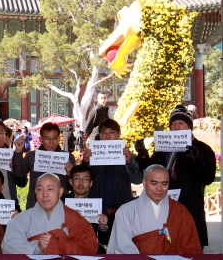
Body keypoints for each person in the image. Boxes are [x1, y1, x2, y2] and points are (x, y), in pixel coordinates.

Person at [138, 104, 216, 248]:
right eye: (173, 124)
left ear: (189, 127)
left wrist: (195, 160)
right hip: (162, 207)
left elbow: (208, 178)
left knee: (190, 248)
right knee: (161, 247)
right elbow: (150, 171)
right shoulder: (162, 148)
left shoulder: (203, 149)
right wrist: (142, 155)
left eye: (181, 123)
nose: (176, 127)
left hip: (190, 207)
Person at [107, 165, 203, 254]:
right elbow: (122, 248)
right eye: (154, 183)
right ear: (144, 183)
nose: (159, 188)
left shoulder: (180, 211)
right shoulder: (126, 211)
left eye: (164, 184)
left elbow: (191, 249)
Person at [2, 173, 98, 254]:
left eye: (50, 189)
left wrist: (59, 243)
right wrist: (37, 247)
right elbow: (8, 246)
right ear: (35, 192)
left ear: (60, 192)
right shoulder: (21, 219)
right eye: (40, 189)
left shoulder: (74, 218)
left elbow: (90, 247)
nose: (45, 194)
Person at [80, 119, 142, 230]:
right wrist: (85, 161)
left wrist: (128, 162)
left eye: (112, 132)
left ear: (119, 134)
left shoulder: (128, 156)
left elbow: (138, 180)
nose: (108, 136)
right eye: (104, 133)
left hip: (122, 212)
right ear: (100, 135)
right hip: (97, 212)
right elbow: (79, 182)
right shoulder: (92, 156)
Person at [11, 122, 75, 209]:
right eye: (47, 138)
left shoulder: (68, 158)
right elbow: (19, 173)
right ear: (41, 139)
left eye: (54, 138)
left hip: (60, 204)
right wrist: (18, 152)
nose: (51, 142)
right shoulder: (31, 156)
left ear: (59, 138)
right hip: (35, 204)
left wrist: (71, 174)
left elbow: (72, 186)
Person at [62, 166, 110, 254]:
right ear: (71, 182)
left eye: (85, 179)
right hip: (65, 248)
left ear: (91, 183)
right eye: (77, 179)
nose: (81, 183)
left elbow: (104, 241)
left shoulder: (98, 205)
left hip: (90, 249)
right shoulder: (61, 202)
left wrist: (103, 227)